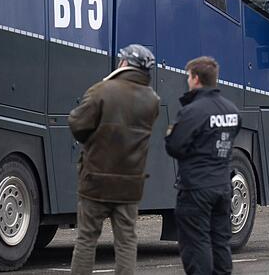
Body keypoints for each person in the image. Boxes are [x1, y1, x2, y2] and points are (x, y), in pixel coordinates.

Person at [69, 44, 161, 275]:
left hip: (95, 182)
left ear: (126, 63)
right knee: (127, 241)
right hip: (130, 185)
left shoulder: (101, 91)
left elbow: (77, 124)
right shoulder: (152, 100)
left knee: (87, 239)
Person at [165, 56, 242, 275]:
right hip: (222, 186)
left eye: (188, 76)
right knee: (220, 242)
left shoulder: (193, 111)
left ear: (196, 79)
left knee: (195, 244)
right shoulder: (231, 110)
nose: (188, 81)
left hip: (196, 188)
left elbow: (174, 146)